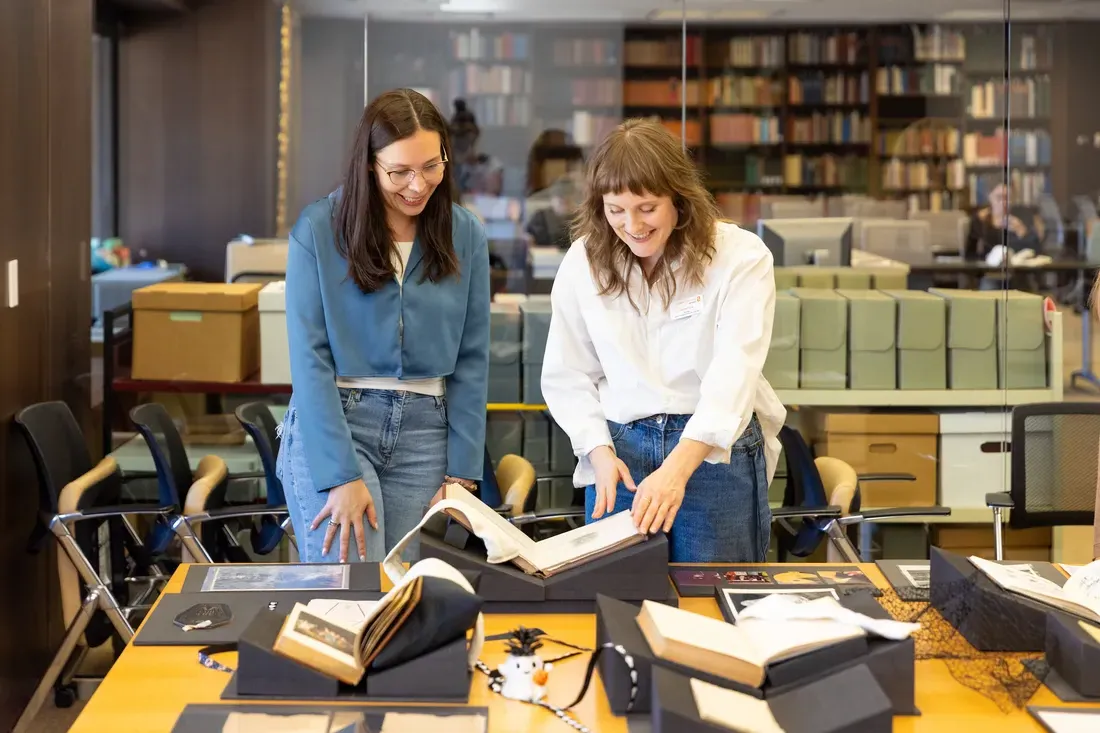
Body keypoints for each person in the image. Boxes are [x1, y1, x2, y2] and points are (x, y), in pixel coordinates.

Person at [540, 118, 786, 564]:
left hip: (711, 455)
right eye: (616, 210)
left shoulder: (740, 257)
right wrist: (597, 450)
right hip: (619, 453)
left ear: (679, 197)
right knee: (618, 601)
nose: (631, 225)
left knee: (710, 601)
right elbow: (568, 372)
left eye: (647, 208)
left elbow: (735, 373)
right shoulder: (583, 261)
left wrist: (677, 469)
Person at [278, 88, 491, 565]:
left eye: (431, 167)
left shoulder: (465, 234)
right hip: (341, 422)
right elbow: (309, 360)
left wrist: (463, 474)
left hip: (426, 434)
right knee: (350, 593)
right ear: (369, 164)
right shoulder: (319, 229)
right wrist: (339, 474)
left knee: (404, 598)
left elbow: (473, 360)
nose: (417, 186)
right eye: (399, 172)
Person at [964, 182, 1042, 290]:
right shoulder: (981, 220)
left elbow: (1036, 249)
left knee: (1025, 287)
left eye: (1007, 198)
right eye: (999, 197)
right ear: (990, 197)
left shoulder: (1021, 217)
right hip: (991, 274)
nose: (1003, 202)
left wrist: (1021, 231)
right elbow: (971, 254)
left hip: (1018, 274)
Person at [449, 99, 504, 197]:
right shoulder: (447, 168)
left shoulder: (491, 166)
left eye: (466, 133)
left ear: (476, 133)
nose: (462, 139)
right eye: (457, 134)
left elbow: (492, 199)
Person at [525, 176, 577, 249]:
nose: (564, 201)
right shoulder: (541, 218)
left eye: (567, 200)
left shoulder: (581, 218)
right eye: (560, 200)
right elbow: (529, 241)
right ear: (552, 199)